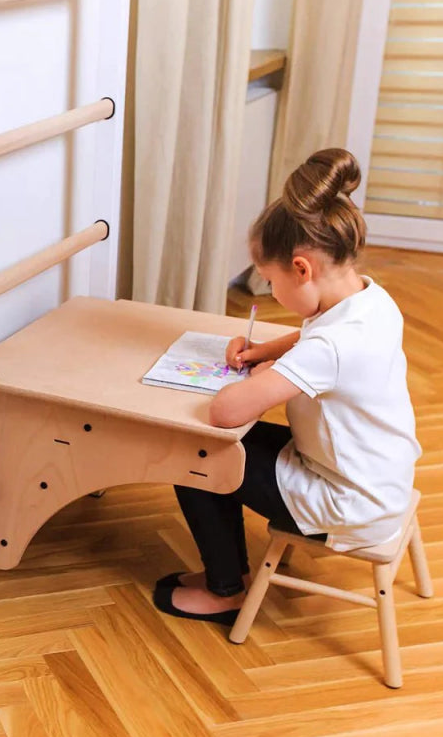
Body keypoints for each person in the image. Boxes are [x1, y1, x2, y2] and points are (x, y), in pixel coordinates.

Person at [153, 148, 422, 626]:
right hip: (377, 477)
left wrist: (260, 379)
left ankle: (225, 590)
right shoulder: (370, 299)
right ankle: (225, 574)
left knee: (195, 452)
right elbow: (316, 336)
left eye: (271, 281)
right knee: (222, 450)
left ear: (302, 269)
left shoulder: (330, 349)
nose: (272, 293)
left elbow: (226, 413)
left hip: (346, 500)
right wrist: (266, 352)